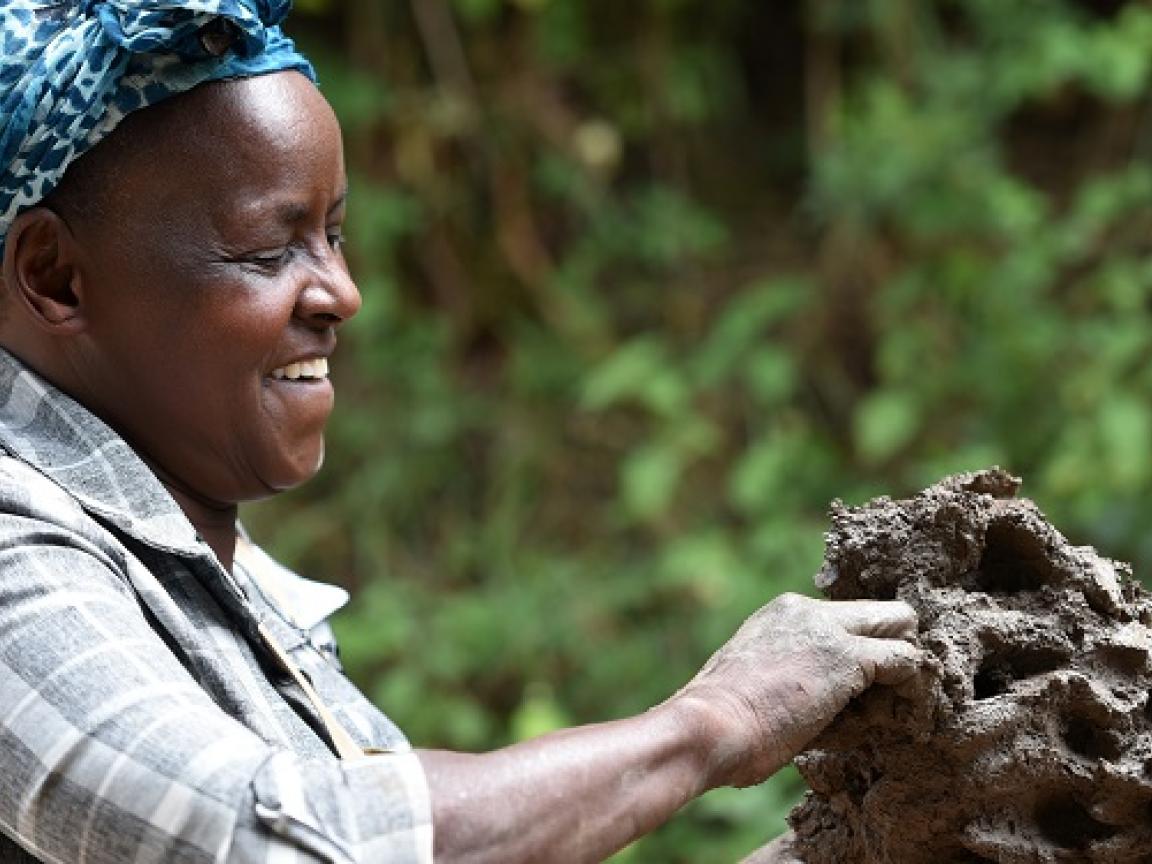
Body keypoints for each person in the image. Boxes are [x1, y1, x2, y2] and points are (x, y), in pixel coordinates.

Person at [0, 2, 924, 861]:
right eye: (269, 250)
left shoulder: (199, 571)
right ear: (55, 277)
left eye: (333, 237)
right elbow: (287, 842)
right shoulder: (14, 563)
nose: (341, 294)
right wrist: (717, 721)